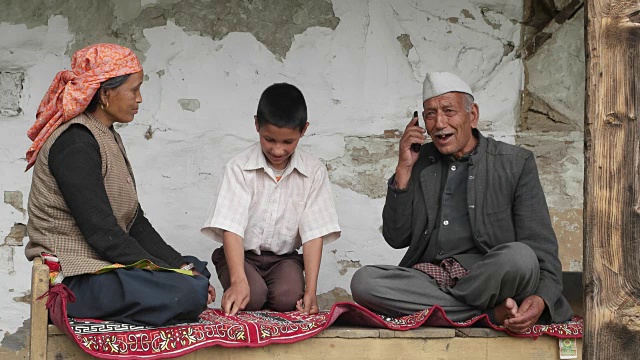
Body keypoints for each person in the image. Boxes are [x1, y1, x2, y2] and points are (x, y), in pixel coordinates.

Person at [350, 72, 573, 333]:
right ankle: (488, 314)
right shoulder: (419, 162)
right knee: (364, 282)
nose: (439, 123)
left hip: (490, 279)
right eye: (430, 114)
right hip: (431, 279)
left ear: (473, 115)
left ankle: (448, 310)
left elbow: (541, 247)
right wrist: (403, 170)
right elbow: (397, 237)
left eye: (448, 111)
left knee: (520, 257)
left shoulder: (515, 162)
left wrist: (542, 299)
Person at [24, 43, 215, 326]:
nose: (139, 99)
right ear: (105, 93)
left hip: (103, 267)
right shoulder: (75, 143)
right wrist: (172, 275)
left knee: (195, 269)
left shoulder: (105, 135)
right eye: (134, 89)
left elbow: (135, 221)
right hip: (76, 282)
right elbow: (104, 235)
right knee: (187, 290)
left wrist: (180, 267)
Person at [201, 83, 340, 316]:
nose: (277, 150)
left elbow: (313, 234)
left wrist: (311, 292)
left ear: (303, 130)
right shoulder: (239, 167)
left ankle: (278, 289)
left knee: (288, 298)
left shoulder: (314, 171)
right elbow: (231, 228)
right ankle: (245, 284)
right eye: (269, 139)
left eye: (288, 142)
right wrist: (237, 281)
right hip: (241, 257)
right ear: (256, 125)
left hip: (284, 261)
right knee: (251, 296)